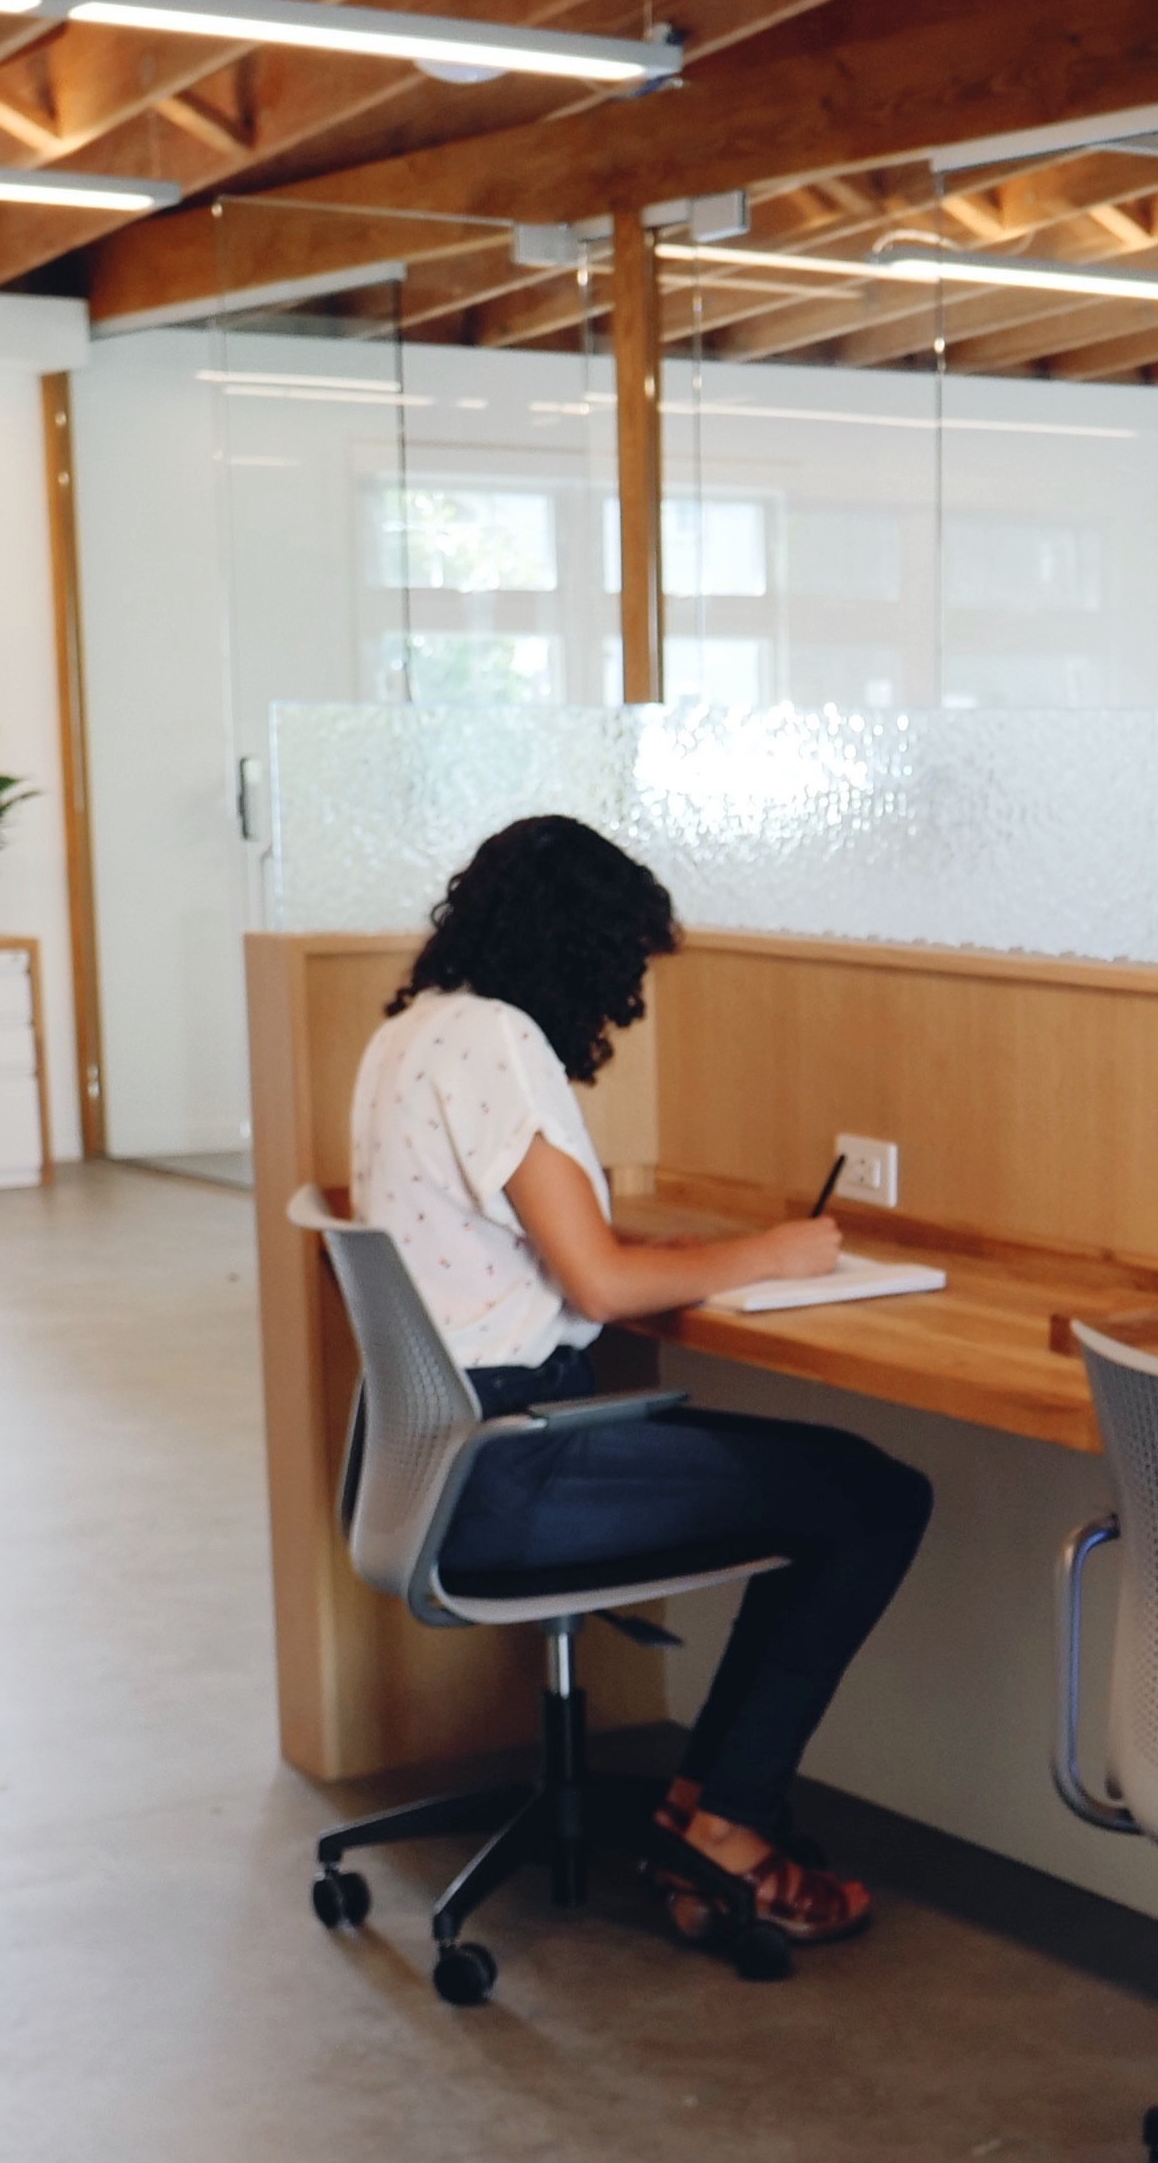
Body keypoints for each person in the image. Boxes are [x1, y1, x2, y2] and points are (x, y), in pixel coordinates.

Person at [347, 814, 931, 1954]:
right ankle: (725, 1830)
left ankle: (698, 1810)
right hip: (509, 1467)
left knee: (839, 1487)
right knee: (872, 1498)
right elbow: (604, 1286)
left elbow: (533, 1251)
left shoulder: (411, 1033)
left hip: (427, 1463)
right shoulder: (499, 1040)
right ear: (576, 949)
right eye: (617, 967)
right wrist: (773, 1254)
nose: (618, 1001)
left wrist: (692, 1253)